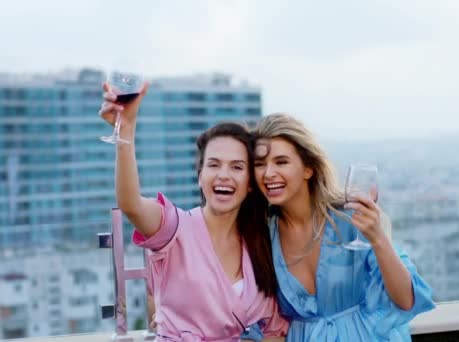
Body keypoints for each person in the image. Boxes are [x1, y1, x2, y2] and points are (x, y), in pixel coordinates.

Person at [98, 83, 288, 341]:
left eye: (236, 167)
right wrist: (126, 132)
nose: (223, 175)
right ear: (200, 177)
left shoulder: (260, 246)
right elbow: (131, 205)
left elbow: (275, 328)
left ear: (251, 184)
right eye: (213, 164)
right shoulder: (174, 228)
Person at [252, 113, 435, 341]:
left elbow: (406, 299)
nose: (268, 173)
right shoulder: (262, 238)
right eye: (260, 164)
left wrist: (377, 237)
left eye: (281, 162)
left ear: (308, 168)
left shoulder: (352, 219)